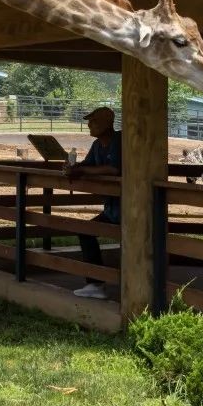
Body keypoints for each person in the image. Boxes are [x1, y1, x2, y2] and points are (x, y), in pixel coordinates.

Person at [67, 106, 122, 300]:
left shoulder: (119, 141)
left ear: (106, 124)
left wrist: (82, 171)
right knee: (86, 231)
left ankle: (105, 282)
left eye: (94, 121)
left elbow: (114, 169)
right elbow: (88, 164)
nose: (89, 125)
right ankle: (95, 283)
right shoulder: (98, 145)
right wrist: (74, 167)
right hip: (112, 209)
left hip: (129, 209)